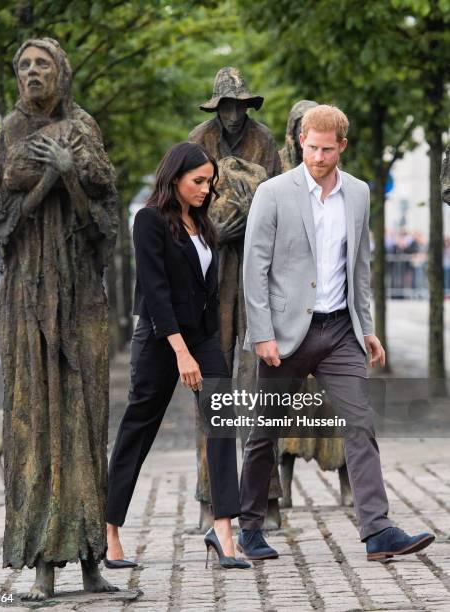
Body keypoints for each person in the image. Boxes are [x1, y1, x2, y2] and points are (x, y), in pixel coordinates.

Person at [237, 104, 435, 562]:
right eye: (311, 148)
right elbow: (255, 269)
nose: (318, 157)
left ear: (342, 146)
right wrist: (262, 333)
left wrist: (367, 328)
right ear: (300, 142)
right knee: (265, 431)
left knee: (360, 423)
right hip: (286, 336)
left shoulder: (360, 193)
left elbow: (359, 268)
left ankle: (377, 530)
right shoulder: (273, 193)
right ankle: (249, 528)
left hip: (339, 331)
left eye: (327, 149)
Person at [0, 38, 118, 600]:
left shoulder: (84, 126)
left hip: (81, 292)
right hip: (28, 296)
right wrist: (49, 178)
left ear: (61, 72)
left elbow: (104, 223)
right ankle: (43, 561)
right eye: (24, 65)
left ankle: (91, 558)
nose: (33, 72)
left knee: (85, 418)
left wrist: (70, 176)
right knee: (35, 420)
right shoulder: (10, 132)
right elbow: (2, 219)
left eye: (43, 64)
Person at [105, 142, 249, 570]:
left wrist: (202, 345)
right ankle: (108, 529)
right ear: (175, 178)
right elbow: (156, 290)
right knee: (139, 428)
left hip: (202, 336)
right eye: (198, 181)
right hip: (159, 339)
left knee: (222, 421)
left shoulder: (203, 224)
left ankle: (223, 528)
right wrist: (181, 353)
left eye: (210, 181)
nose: (206, 189)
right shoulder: (148, 221)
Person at [189, 67, 283, 529]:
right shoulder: (198, 139)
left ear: (246, 107)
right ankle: (211, 495)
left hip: (254, 270)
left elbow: (282, 199)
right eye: (224, 106)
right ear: (216, 108)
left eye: (237, 107)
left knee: (260, 379)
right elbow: (182, 201)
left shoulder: (264, 142)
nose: (231, 115)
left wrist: (251, 225)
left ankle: (265, 496)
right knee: (213, 384)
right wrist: (212, 229)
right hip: (211, 271)